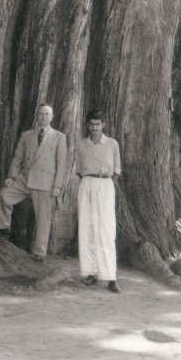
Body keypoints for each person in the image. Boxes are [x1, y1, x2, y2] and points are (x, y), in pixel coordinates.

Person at [0, 103, 67, 262]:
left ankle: (39, 252)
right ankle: (3, 228)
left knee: (43, 218)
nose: (43, 117)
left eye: (46, 114)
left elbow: (62, 164)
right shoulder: (26, 135)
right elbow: (17, 158)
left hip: (45, 181)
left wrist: (57, 186)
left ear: (52, 117)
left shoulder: (59, 137)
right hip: (25, 178)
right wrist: (11, 176)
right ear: (37, 116)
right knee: (4, 194)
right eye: (40, 114)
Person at [76, 109, 121, 293]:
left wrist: (107, 187)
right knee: (87, 228)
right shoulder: (81, 144)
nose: (94, 128)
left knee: (105, 229)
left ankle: (110, 276)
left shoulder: (112, 144)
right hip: (86, 184)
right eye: (91, 124)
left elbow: (117, 170)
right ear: (87, 125)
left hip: (104, 184)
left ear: (103, 125)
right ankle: (90, 272)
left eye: (98, 124)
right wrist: (89, 183)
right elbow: (79, 169)